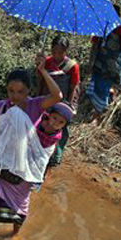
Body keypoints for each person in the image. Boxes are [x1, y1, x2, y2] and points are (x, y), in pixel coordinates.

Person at [0, 65, 64, 240]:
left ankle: (14, 234)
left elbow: (57, 96)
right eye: (11, 90)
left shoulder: (36, 105)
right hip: (2, 163)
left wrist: (43, 71)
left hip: (24, 168)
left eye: (20, 91)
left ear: (29, 90)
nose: (15, 95)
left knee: (21, 206)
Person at [37, 35, 80, 166]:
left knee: (60, 130)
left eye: (60, 53)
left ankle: (55, 158)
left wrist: (69, 107)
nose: (56, 55)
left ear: (66, 51)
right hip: (47, 100)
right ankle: (39, 152)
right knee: (43, 127)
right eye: (54, 52)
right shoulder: (47, 62)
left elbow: (73, 87)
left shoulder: (72, 66)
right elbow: (40, 81)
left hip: (63, 103)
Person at [85, 4, 121, 116]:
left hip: (110, 67)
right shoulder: (102, 26)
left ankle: (101, 112)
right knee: (97, 86)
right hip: (99, 63)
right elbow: (94, 44)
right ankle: (97, 109)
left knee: (103, 87)